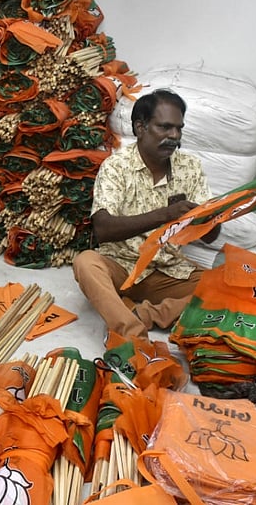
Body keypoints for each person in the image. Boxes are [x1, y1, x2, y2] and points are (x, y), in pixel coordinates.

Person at [73, 89, 220, 338]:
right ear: (140, 127)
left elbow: (211, 237)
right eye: (164, 127)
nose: (174, 136)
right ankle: (131, 333)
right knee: (85, 263)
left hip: (167, 270)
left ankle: (147, 315)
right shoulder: (117, 166)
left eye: (178, 128)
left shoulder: (190, 167)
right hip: (121, 266)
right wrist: (166, 214)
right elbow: (103, 229)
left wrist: (209, 217)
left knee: (227, 285)